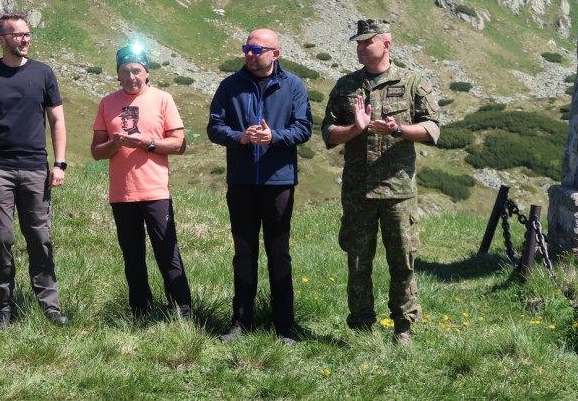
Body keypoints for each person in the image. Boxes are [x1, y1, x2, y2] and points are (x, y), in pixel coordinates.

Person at [321, 19, 440, 345]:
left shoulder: (412, 83)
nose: (360, 48)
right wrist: (355, 129)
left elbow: (432, 129)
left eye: (366, 42)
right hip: (358, 192)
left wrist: (398, 130)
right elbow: (328, 133)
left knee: (402, 260)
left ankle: (403, 327)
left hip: (398, 191)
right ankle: (362, 328)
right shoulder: (346, 86)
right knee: (358, 262)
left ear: (386, 44)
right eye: (358, 43)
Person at [207, 29, 312, 345]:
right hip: (241, 183)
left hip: (278, 183)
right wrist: (239, 138)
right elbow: (214, 127)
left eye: (256, 49)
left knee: (278, 252)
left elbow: (304, 128)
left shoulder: (293, 85)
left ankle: (284, 327)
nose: (249, 54)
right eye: (246, 48)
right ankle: (241, 323)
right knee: (244, 252)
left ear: (275, 54)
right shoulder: (230, 85)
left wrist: (274, 137)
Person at [0, 13, 68, 330]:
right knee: (0, 240)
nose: (25, 39)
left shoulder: (43, 73)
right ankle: (4, 308)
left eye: (27, 34)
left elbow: (57, 120)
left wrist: (59, 163)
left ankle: (50, 307)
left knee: (40, 238)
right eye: (18, 35)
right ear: (2, 39)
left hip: (36, 168)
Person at [91, 44, 192, 320]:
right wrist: (115, 144)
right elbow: (96, 151)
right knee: (132, 257)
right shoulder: (107, 103)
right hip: (122, 194)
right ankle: (140, 311)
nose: (131, 77)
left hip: (155, 192)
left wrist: (148, 143)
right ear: (118, 74)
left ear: (147, 72)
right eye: (125, 71)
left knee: (167, 253)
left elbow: (179, 144)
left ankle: (182, 312)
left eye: (136, 70)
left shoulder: (162, 99)